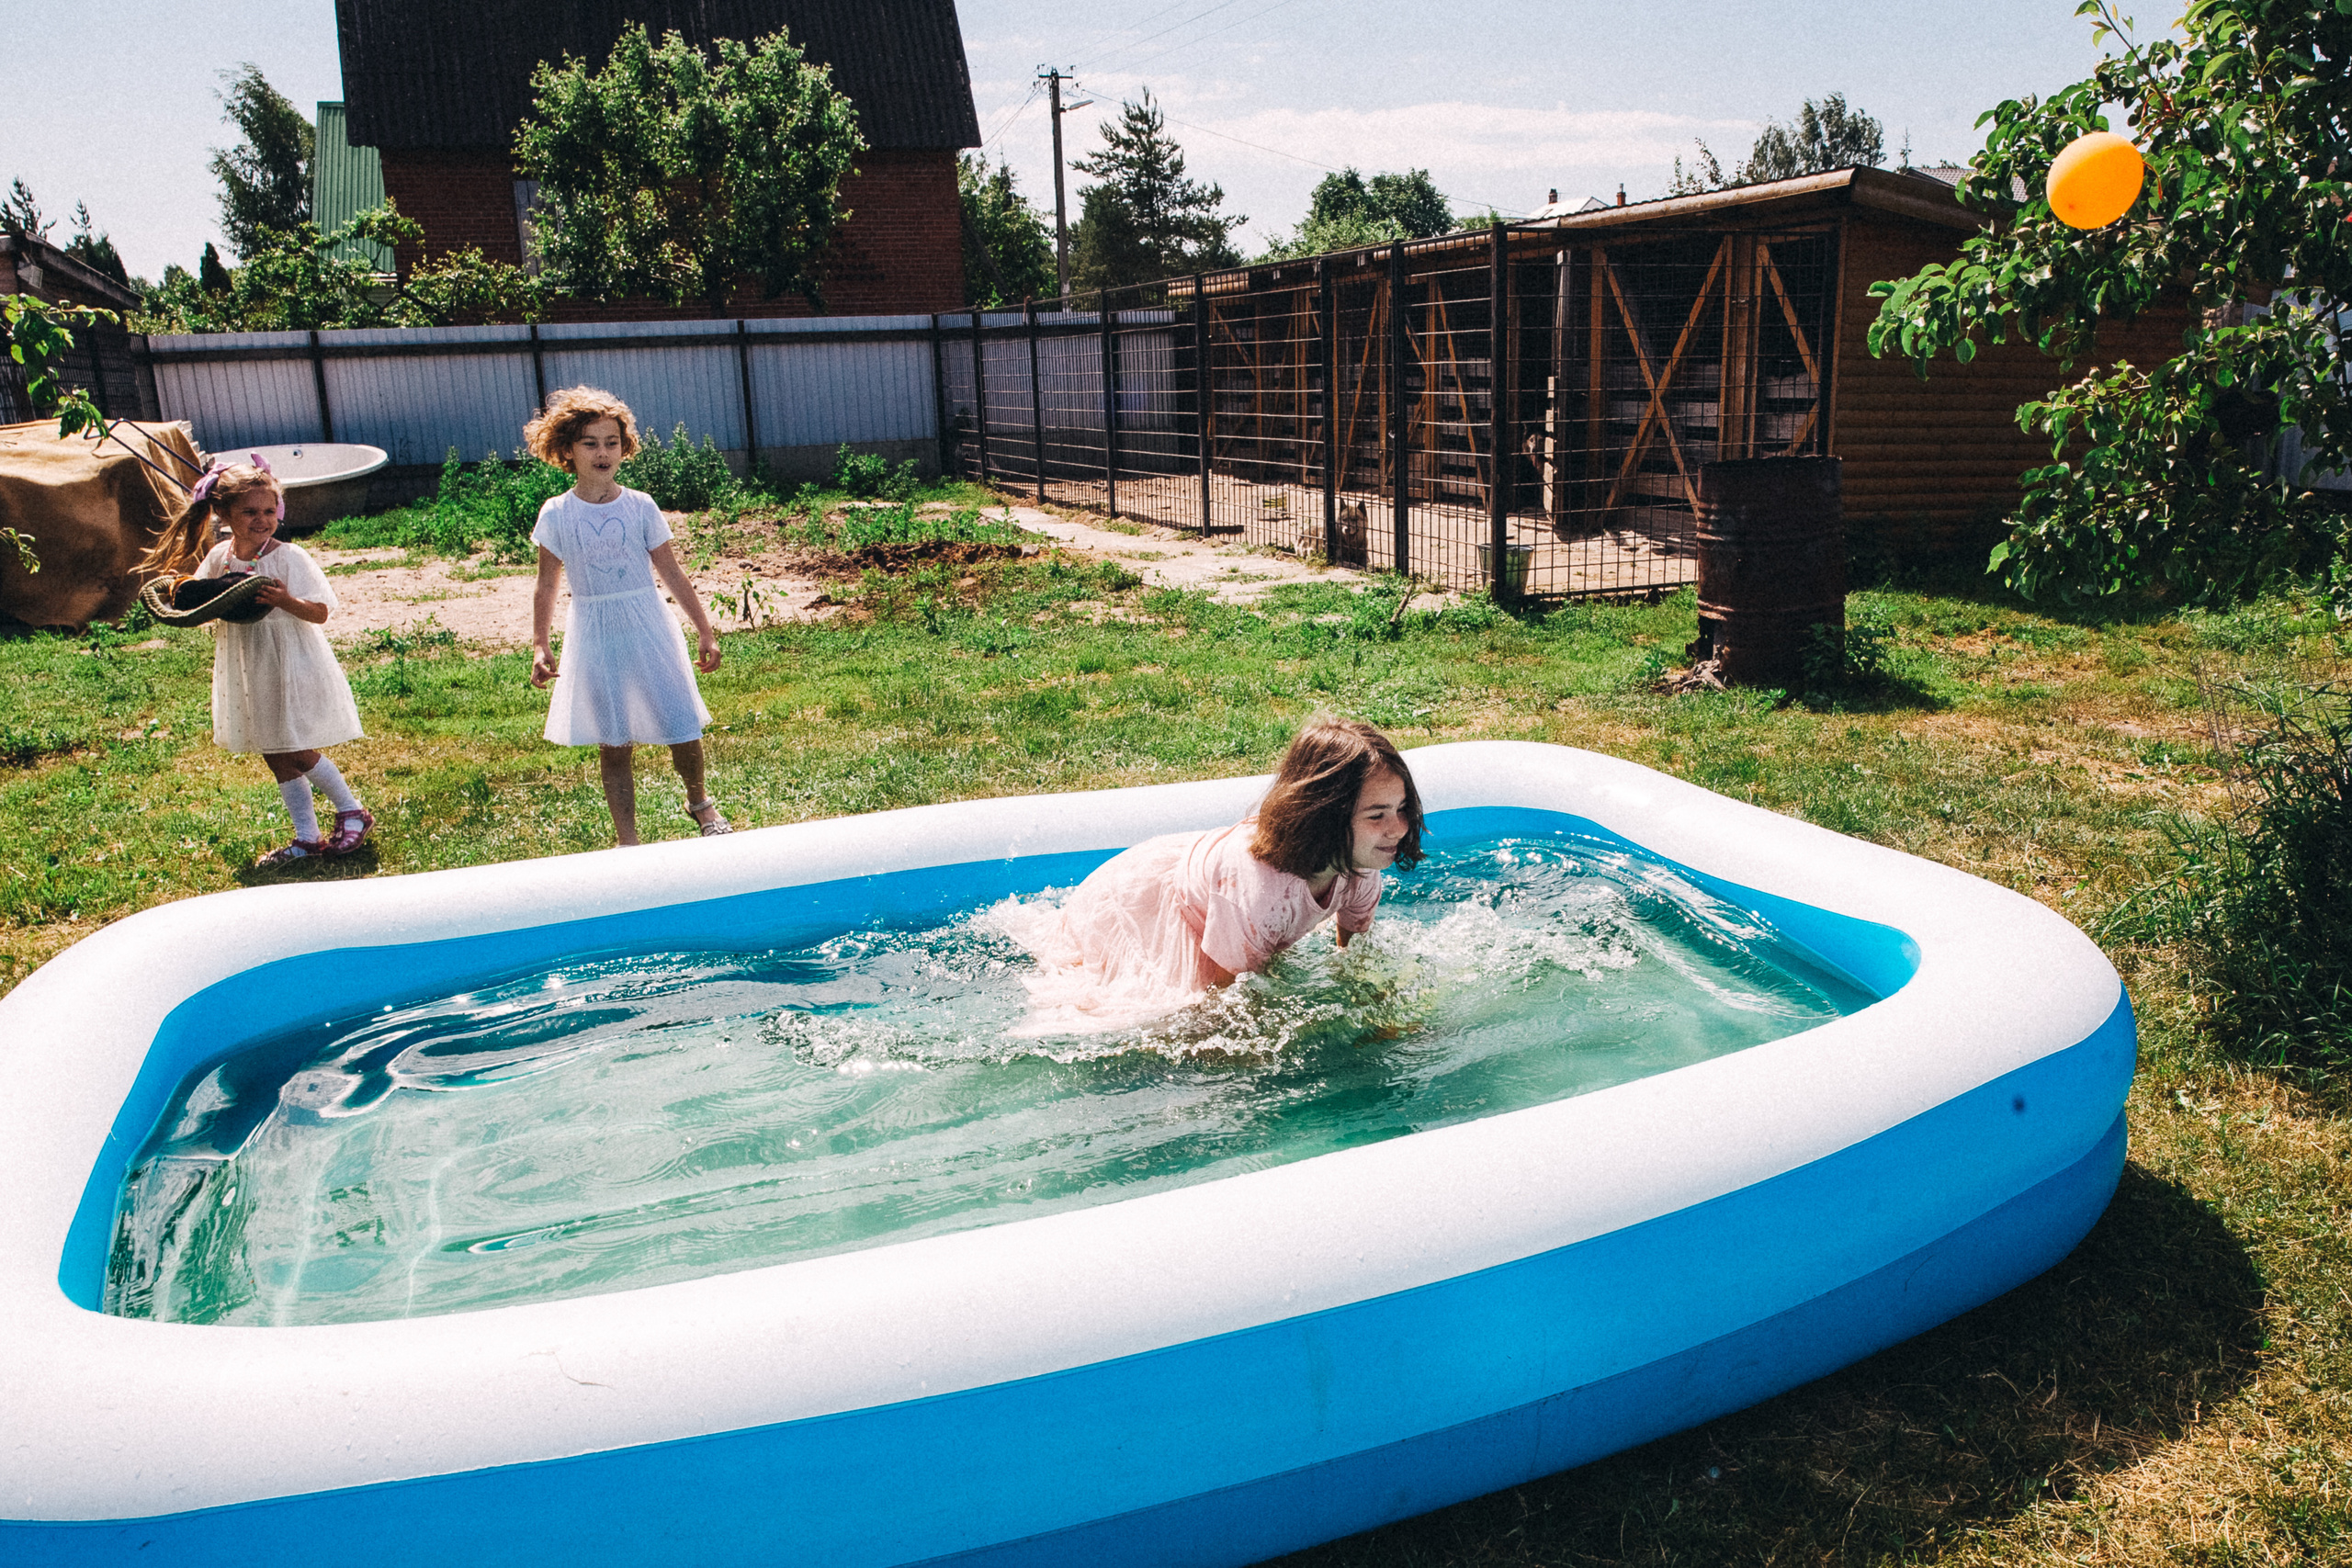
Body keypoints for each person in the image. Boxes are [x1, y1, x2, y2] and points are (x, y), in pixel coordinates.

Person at [1017, 716, 1425, 1033]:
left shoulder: (1360, 863)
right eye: (1377, 815)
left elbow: (1353, 952)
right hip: (1141, 897)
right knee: (1172, 1018)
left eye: (1402, 808)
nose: (1399, 827)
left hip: (1219, 882)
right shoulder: (1257, 891)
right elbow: (1232, 999)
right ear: (1324, 816)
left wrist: (1378, 1013)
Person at [140, 455, 374, 868]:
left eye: (269, 510)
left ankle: (351, 809)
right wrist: (181, 596)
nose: (261, 519)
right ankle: (307, 837)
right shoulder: (220, 558)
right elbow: (203, 598)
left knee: (296, 747)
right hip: (248, 662)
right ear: (223, 513)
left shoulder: (289, 557)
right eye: (249, 511)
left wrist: (285, 600)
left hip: (290, 660)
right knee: (272, 750)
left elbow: (320, 612)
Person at [524, 385, 733, 845]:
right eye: (590, 443)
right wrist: (541, 644)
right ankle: (627, 839)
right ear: (566, 450)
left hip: (648, 624)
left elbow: (671, 571)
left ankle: (699, 801)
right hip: (594, 632)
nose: (603, 453)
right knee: (613, 738)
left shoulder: (639, 505)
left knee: (680, 720)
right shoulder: (557, 514)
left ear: (625, 447)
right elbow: (547, 585)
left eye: (611, 442)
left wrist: (705, 629)